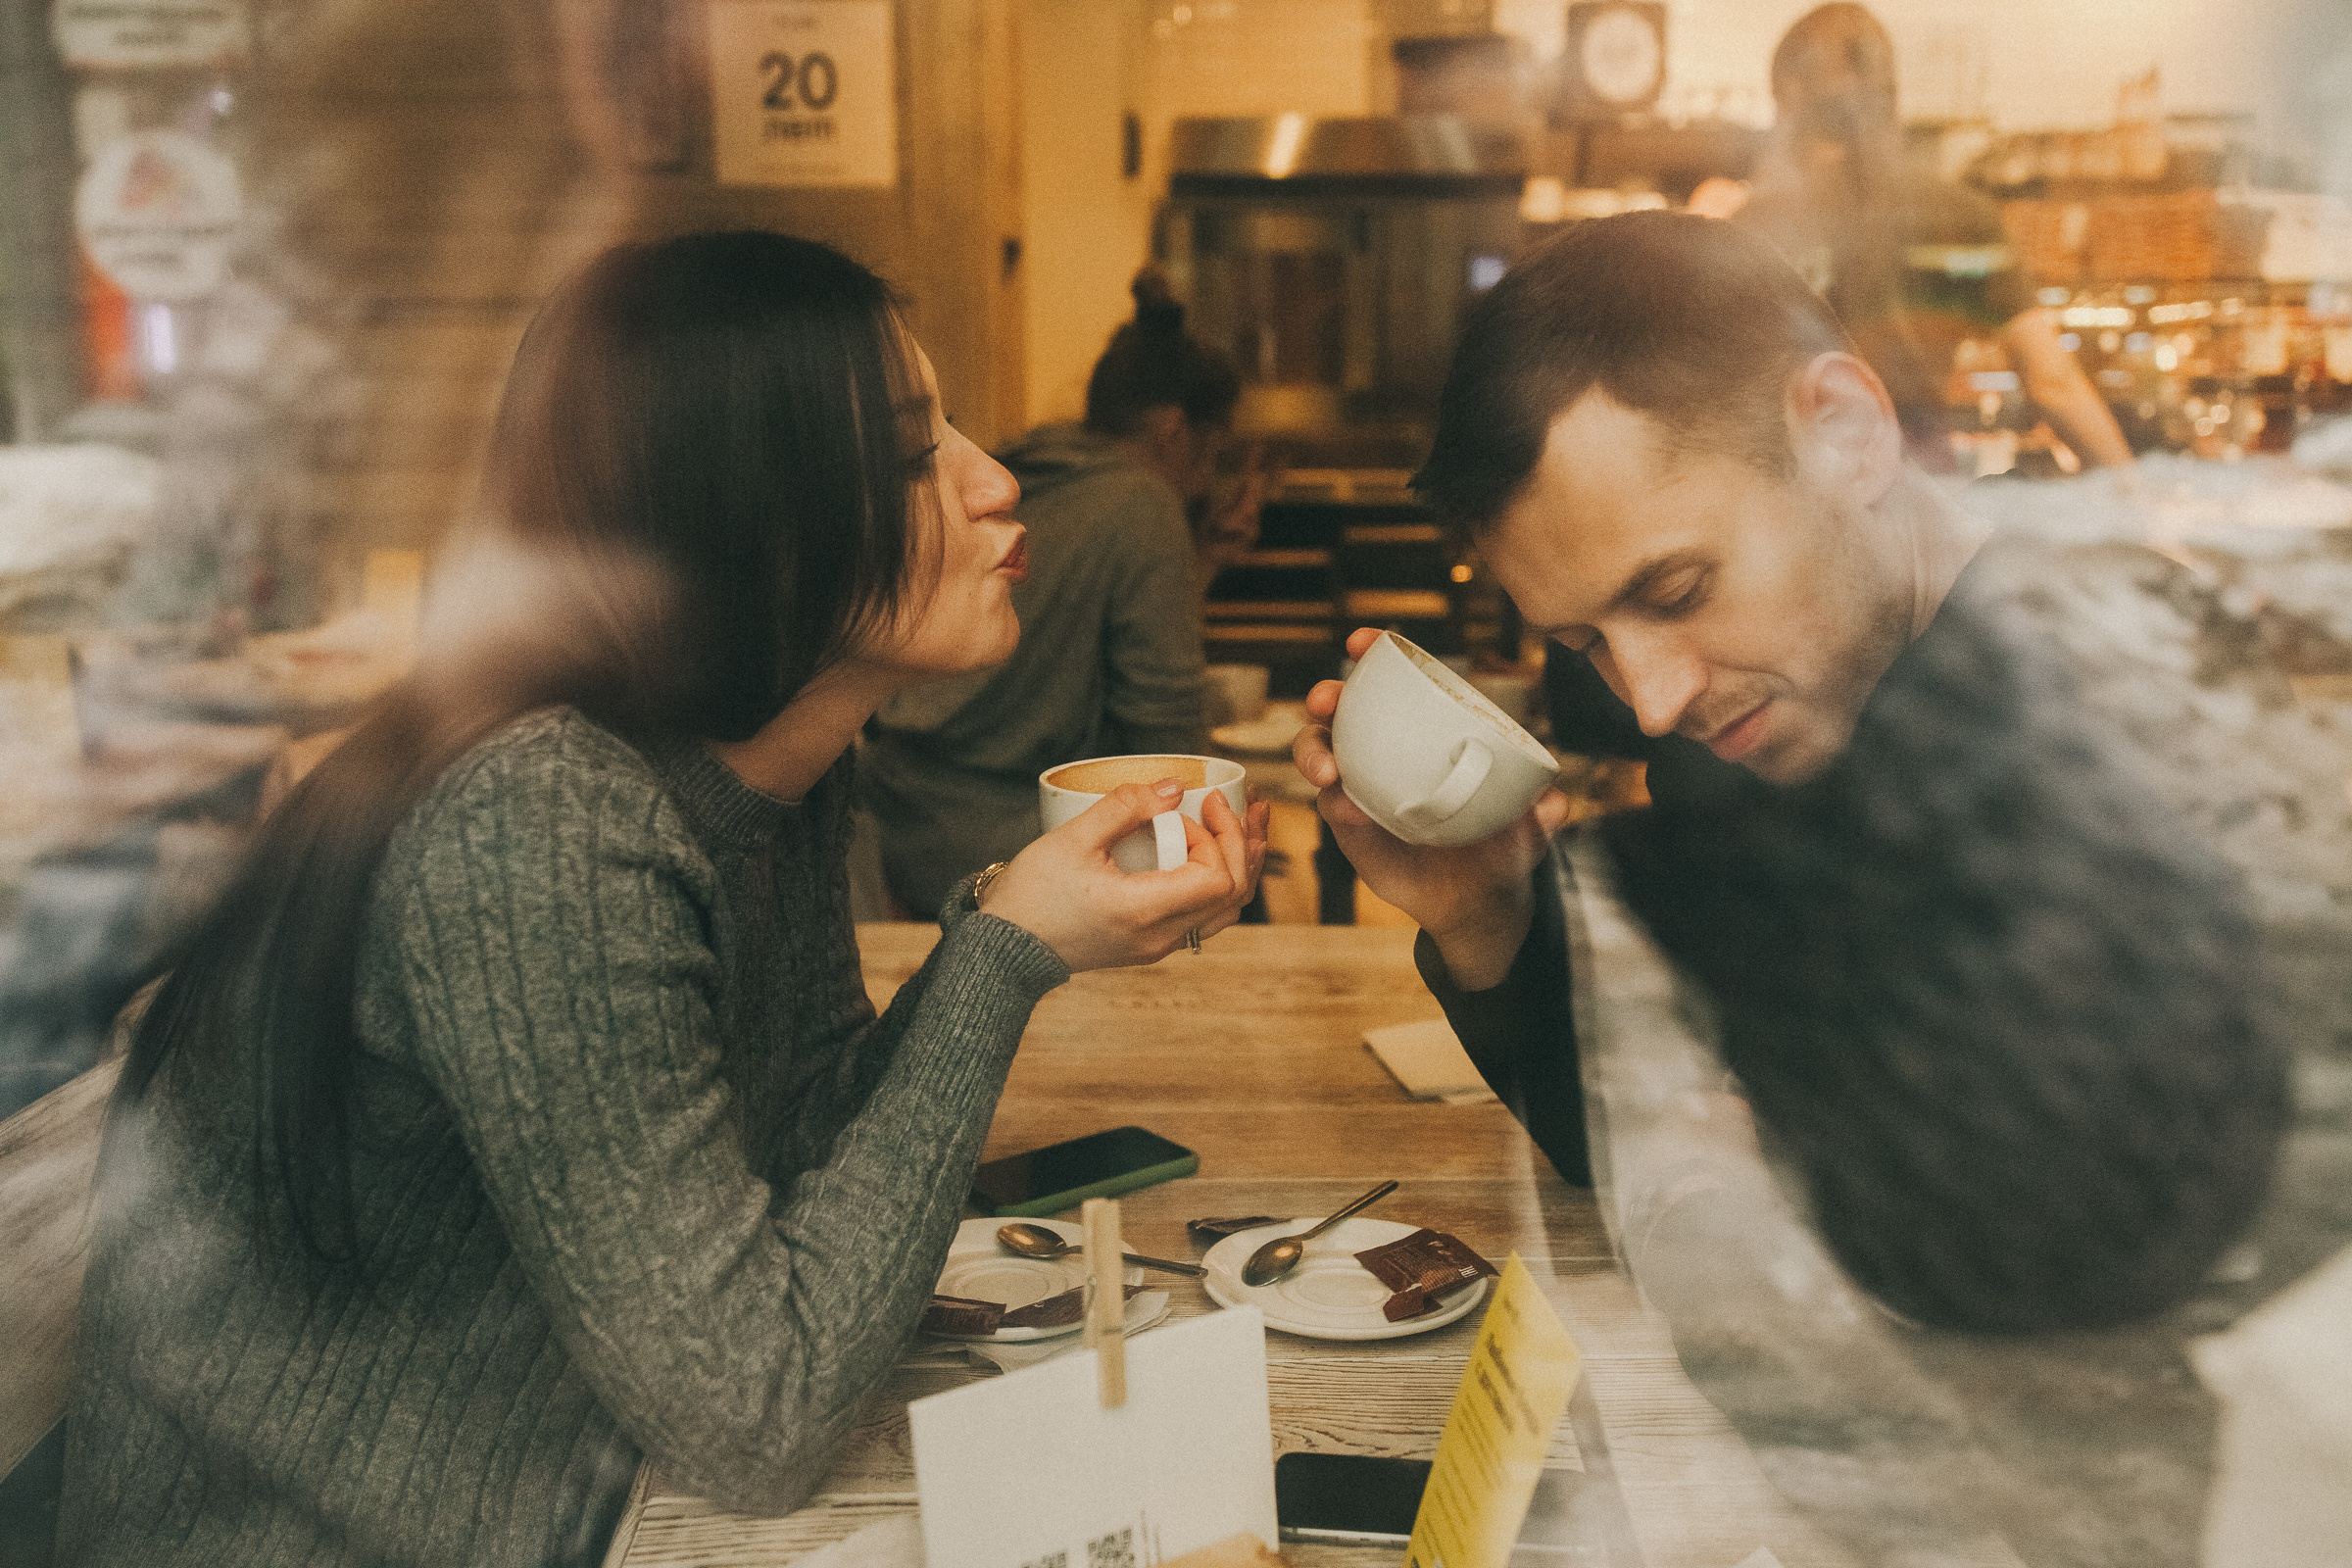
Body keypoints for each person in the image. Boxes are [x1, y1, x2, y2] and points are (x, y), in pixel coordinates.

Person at [59, 232, 1266, 1568]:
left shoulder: (777, 770)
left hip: (576, 1490)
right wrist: (1005, 956)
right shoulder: (541, 816)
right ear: (755, 518)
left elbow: (799, 1159)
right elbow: (757, 1420)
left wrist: (1004, 926)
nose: (991, 484)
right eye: (917, 452)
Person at [1295, 211, 2285, 1335]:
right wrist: (1485, 916)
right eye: (1585, 644)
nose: (1652, 696)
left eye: (1674, 592)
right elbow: (1640, 1145)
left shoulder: (2124, 720)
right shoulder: (1751, 739)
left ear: (1850, 435)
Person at [858, 269, 1265, 916]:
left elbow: (1054, 646)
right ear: (1171, 432)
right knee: (1234, 879)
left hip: (896, 809)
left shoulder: (1029, 465)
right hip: (995, 835)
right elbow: (1169, 738)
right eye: (1211, 456)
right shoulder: (1141, 501)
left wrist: (1204, 563)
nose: (1204, 484)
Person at [1729, 3, 2133, 473]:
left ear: (1792, 97)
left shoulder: (1756, 225)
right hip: (1919, 487)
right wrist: (2142, 511)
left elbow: (1716, 395)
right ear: (1889, 91)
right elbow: (2053, 382)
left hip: (1805, 501)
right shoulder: (1963, 215)